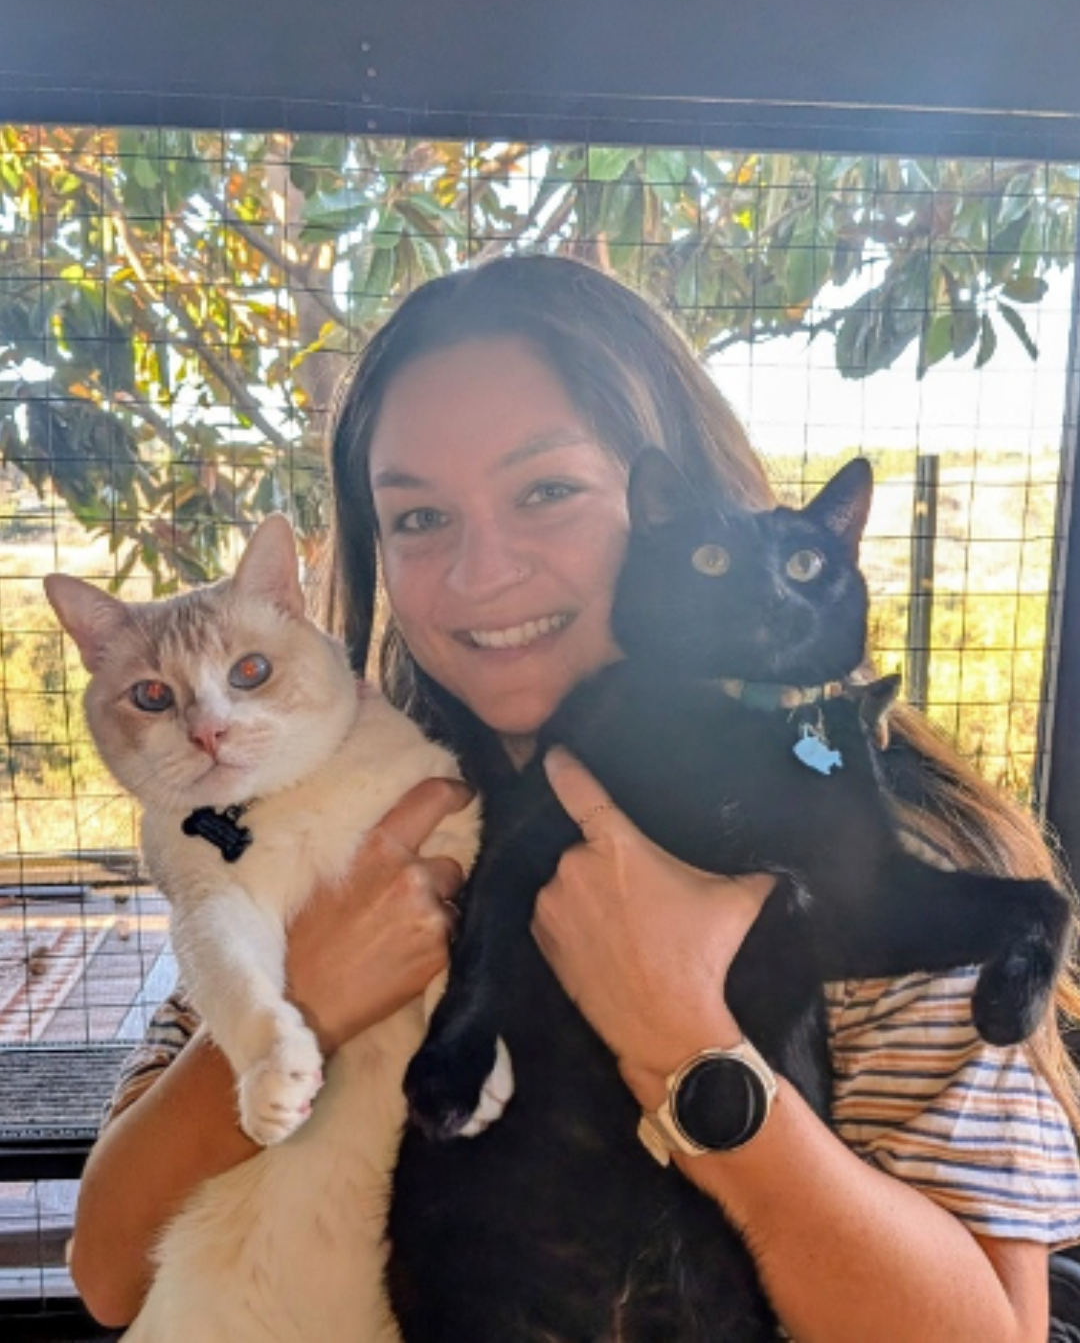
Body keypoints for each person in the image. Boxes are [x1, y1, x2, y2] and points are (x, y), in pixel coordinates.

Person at [71, 254, 1080, 1340]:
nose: (480, 572)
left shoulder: (860, 831)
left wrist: (686, 1040)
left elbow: (991, 1332)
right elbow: (108, 1269)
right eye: (418, 520)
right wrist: (296, 1002)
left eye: (547, 492)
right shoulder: (340, 803)